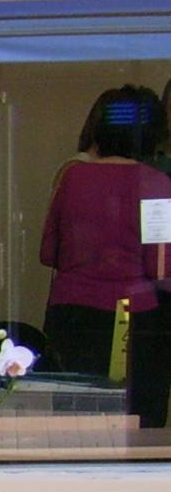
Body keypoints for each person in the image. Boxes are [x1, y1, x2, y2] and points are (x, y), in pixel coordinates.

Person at [38, 86, 171, 423]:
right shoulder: (156, 184)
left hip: (70, 317)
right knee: (137, 423)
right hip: (132, 322)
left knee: (76, 422)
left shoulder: (71, 177)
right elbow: (160, 267)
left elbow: (47, 252)